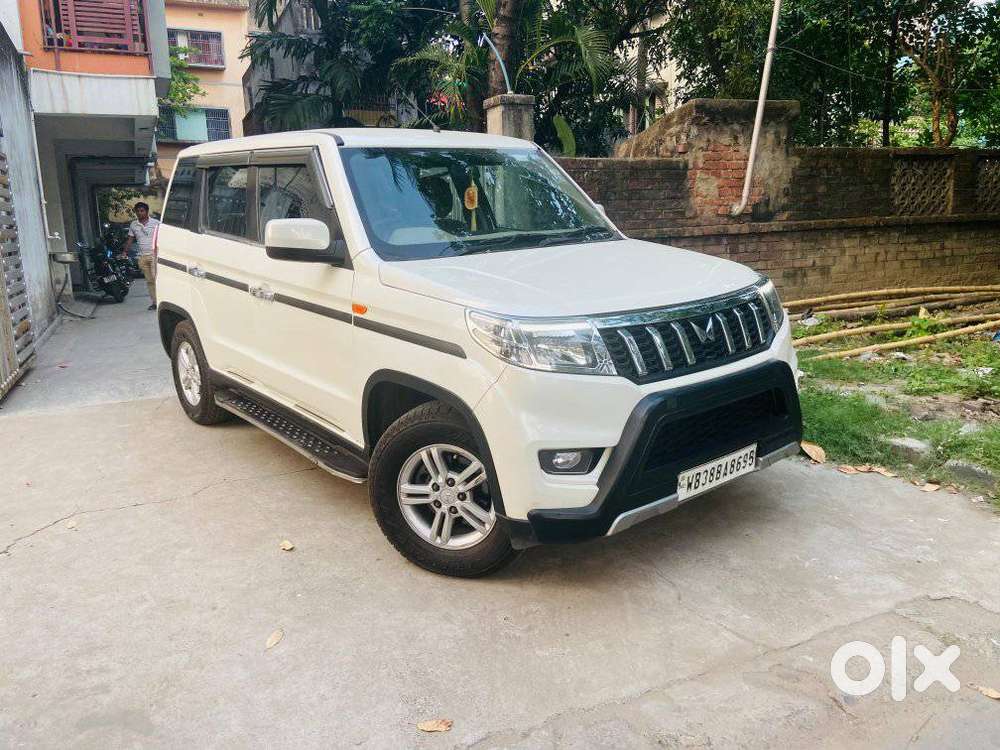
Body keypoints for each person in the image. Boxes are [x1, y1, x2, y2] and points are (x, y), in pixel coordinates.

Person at [123, 202, 160, 310]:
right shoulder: (133, 225)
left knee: (155, 278)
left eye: (142, 211)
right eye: (138, 211)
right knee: (149, 281)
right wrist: (125, 251)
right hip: (142, 256)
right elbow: (130, 239)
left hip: (155, 255)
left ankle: (162, 301)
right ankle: (155, 302)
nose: (140, 213)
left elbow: (163, 236)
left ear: (147, 211)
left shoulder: (156, 223)